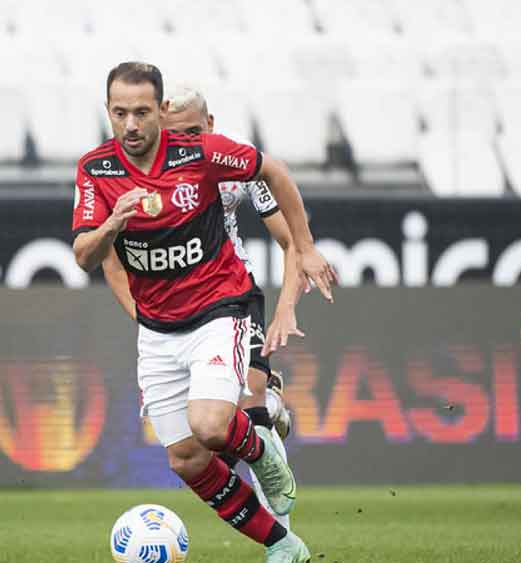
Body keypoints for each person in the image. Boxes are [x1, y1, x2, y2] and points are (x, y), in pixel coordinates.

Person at [72, 62, 333, 563]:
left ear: (161, 111)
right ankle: (284, 546)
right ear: (108, 111)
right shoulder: (95, 170)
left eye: (142, 112)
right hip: (157, 330)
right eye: (120, 112)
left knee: (212, 425)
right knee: (186, 458)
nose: (130, 125)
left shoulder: (202, 153)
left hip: (219, 307)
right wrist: (112, 224)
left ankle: (263, 454)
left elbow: (274, 172)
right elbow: (85, 254)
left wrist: (306, 247)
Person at [101, 84, 304, 532]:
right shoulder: (136, 175)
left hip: (233, 295)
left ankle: (284, 532)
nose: (186, 143)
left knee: (253, 408)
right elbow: (111, 262)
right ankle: (264, 415)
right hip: (173, 313)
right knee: (204, 445)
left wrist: (286, 307)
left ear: (210, 125)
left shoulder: (230, 163)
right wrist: (143, 317)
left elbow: (290, 240)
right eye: (177, 135)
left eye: (194, 131)